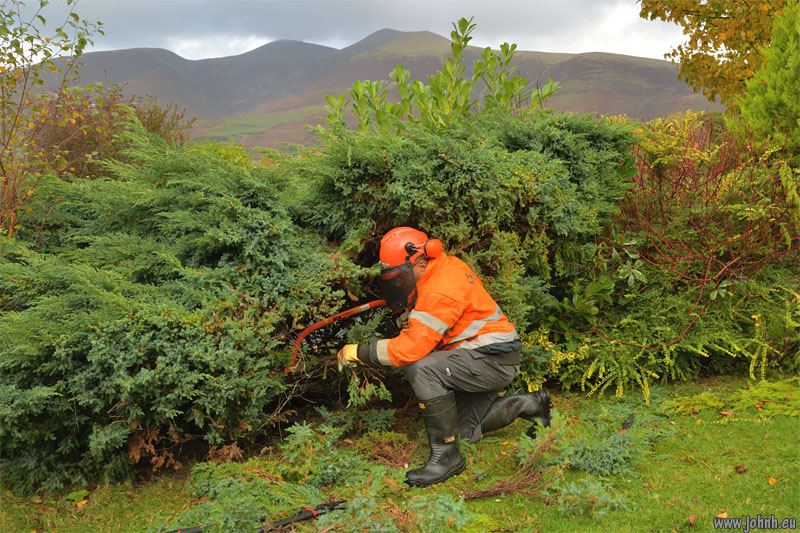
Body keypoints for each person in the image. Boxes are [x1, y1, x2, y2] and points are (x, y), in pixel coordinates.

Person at [337, 226, 551, 487]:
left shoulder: (441, 289)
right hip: (486, 358)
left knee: (422, 368)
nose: (398, 283)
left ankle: (447, 458)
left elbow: (408, 350)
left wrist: (358, 352)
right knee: (462, 431)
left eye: (400, 277)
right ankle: (531, 404)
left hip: (490, 362)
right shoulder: (444, 267)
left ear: (421, 262)